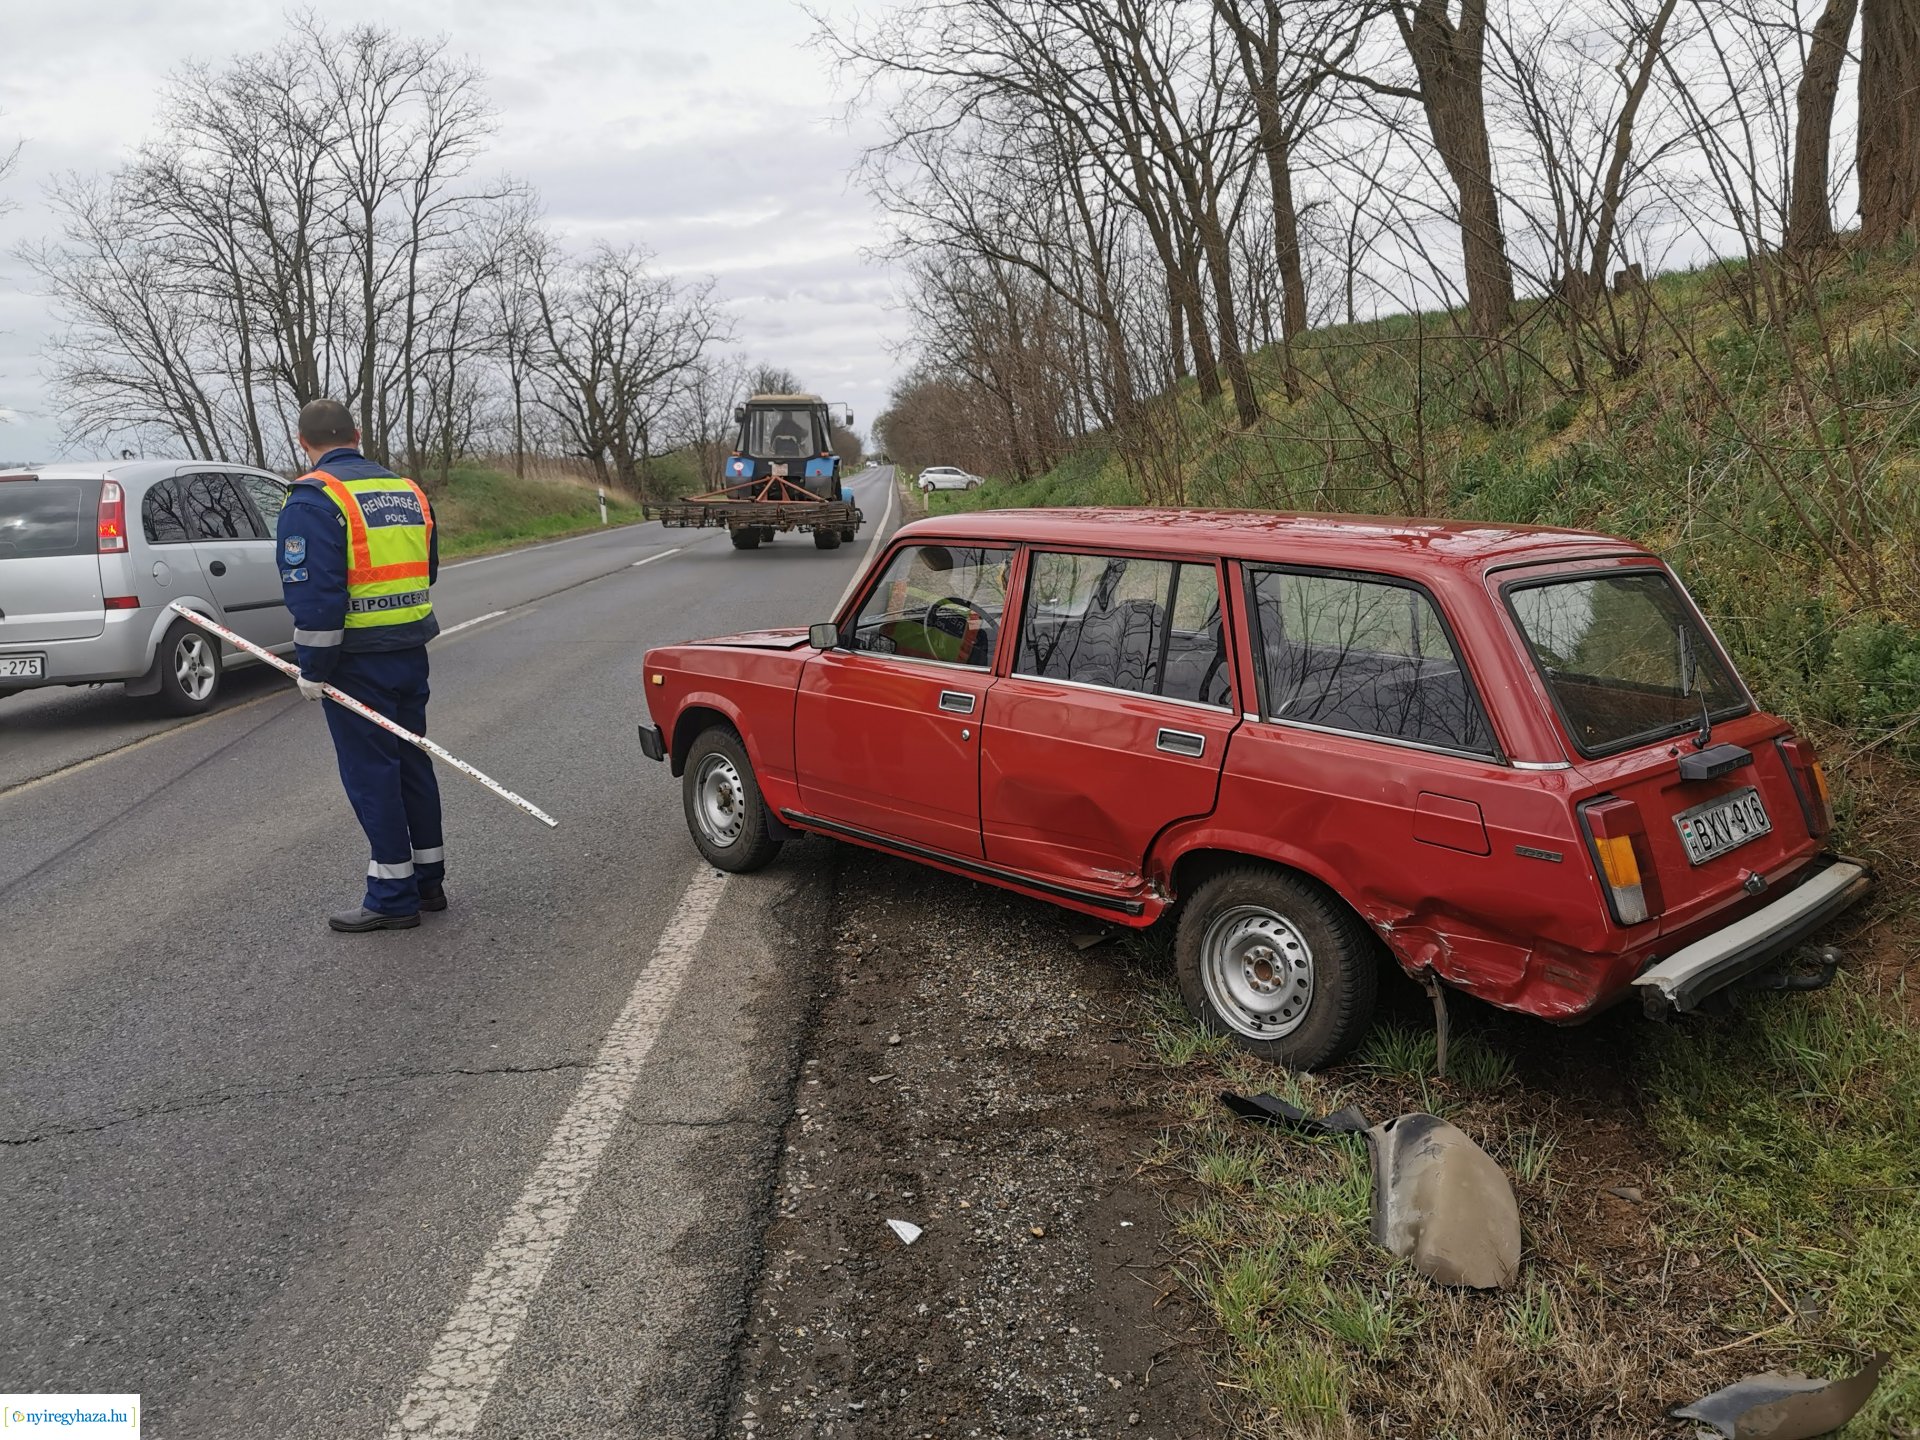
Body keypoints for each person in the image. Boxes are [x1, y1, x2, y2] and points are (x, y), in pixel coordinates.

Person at [278, 399, 446, 932]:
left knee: (372, 775)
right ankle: (427, 882)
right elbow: (429, 570)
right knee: (412, 762)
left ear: (303, 442)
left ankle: (393, 898)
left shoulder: (314, 499)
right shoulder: (407, 491)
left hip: (355, 661)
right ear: (356, 434)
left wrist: (313, 669)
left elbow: (317, 597)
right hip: (409, 651)